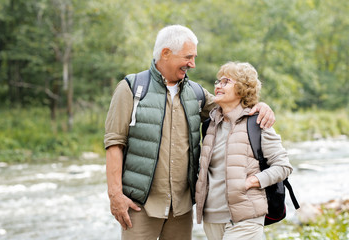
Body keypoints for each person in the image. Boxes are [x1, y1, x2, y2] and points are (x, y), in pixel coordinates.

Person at [104, 25, 275, 240]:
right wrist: (115, 195)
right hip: (141, 206)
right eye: (188, 57)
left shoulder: (196, 93)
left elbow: (234, 108)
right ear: (166, 53)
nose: (192, 64)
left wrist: (261, 106)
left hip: (181, 208)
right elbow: (114, 143)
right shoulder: (131, 88)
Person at [195, 61, 293, 240]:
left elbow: (283, 166)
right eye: (218, 82)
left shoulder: (257, 123)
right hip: (211, 216)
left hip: (246, 216)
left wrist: (254, 181)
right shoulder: (209, 124)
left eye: (226, 82)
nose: (218, 86)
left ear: (241, 88)